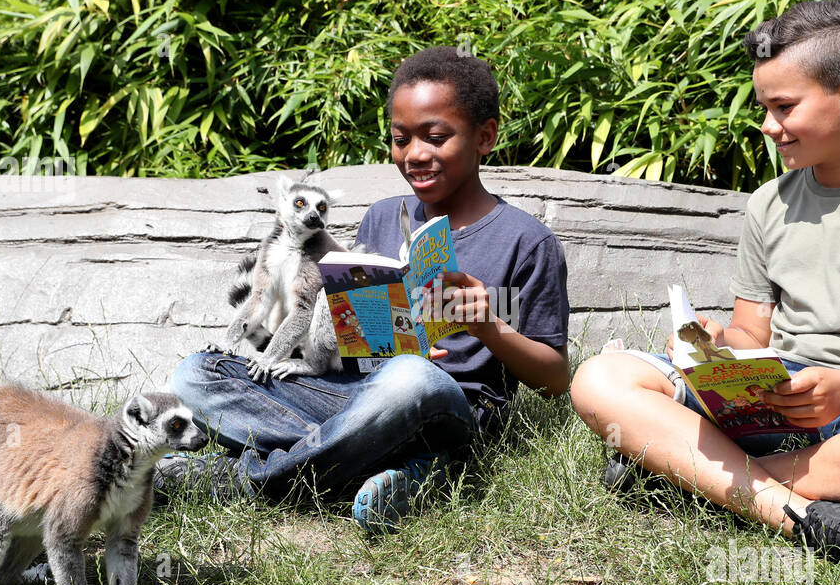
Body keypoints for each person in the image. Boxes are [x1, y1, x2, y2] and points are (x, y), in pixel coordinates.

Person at [570, 0, 840, 579]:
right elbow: (752, 331)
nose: (768, 126)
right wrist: (716, 339)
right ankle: (795, 511)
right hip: (770, 396)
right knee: (600, 378)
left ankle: (689, 470)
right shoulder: (771, 202)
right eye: (765, 108)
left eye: (783, 107)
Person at [157, 46, 571, 533]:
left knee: (410, 378)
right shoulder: (381, 216)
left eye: (435, 137)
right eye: (400, 139)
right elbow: (348, 336)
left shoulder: (526, 241)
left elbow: (555, 381)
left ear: (485, 136)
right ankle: (394, 468)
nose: (414, 154)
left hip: (443, 405)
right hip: (353, 391)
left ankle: (248, 478)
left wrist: (488, 326)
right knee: (194, 375)